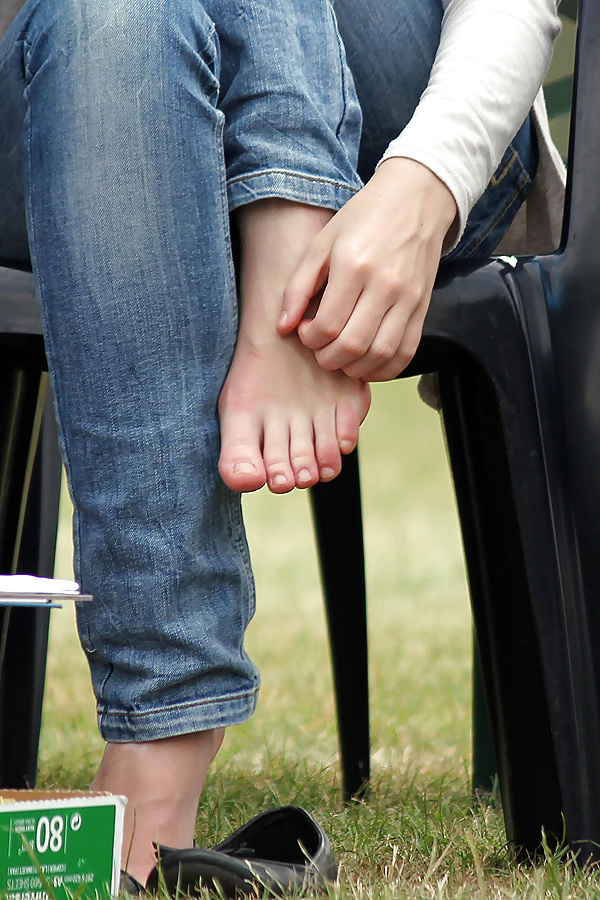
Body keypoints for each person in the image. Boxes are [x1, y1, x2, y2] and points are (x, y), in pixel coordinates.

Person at [0, 0, 562, 890]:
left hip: (405, 128)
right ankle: (291, 221)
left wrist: (422, 187)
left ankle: (159, 738)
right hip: (79, 97)